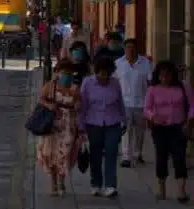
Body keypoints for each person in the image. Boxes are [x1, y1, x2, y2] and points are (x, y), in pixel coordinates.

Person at [144, 60, 194, 202]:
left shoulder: (183, 87)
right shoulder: (152, 89)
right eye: (162, 76)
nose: (165, 79)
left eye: (167, 75)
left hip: (179, 126)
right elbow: (146, 108)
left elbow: (192, 106)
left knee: (179, 157)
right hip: (160, 128)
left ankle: (181, 190)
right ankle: (161, 187)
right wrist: (153, 116)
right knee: (161, 156)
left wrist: (188, 121)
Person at [79, 55, 127, 197]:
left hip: (113, 122)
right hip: (93, 123)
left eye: (106, 73)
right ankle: (96, 183)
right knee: (96, 155)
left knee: (111, 153)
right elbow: (83, 106)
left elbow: (120, 103)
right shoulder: (87, 83)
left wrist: (124, 120)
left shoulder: (115, 83)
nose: (103, 76)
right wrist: (81, 126)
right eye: (100, 72)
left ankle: (110, 185)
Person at [37, 60, 82, 196]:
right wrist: (49, 105)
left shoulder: (74, 89)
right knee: (51, 155)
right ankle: (53, 184)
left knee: (64, 154)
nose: (66, 76)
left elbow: (79, 105)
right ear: (57, 73)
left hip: (68, 126)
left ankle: (62, 181)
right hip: (52, 126)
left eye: (69, 73)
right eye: (64, 73)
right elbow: (41, 99)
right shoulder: (50, 86)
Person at [115, 38, 153, 167]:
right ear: (124, 49)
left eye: (132, 47)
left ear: (137, 49)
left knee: (140, 131)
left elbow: (150, 81)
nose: (130, 50)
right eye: (128, 47)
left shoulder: (145, 63)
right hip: (124, 102)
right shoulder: (118, 63)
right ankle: (126, 156)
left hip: (141, 102)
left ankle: (138, 154)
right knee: (126, 130)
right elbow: (114, 83)